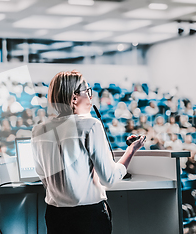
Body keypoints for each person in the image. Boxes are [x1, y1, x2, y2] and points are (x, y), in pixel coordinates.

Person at [31, 71, 145, 234]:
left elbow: (43, 175)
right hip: (88, 218)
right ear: (74, 98)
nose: (91, 97)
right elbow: (110, 179)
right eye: (87, 91)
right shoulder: (91, 125)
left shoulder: (38, 130)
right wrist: (131, 151)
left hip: (55, 216)